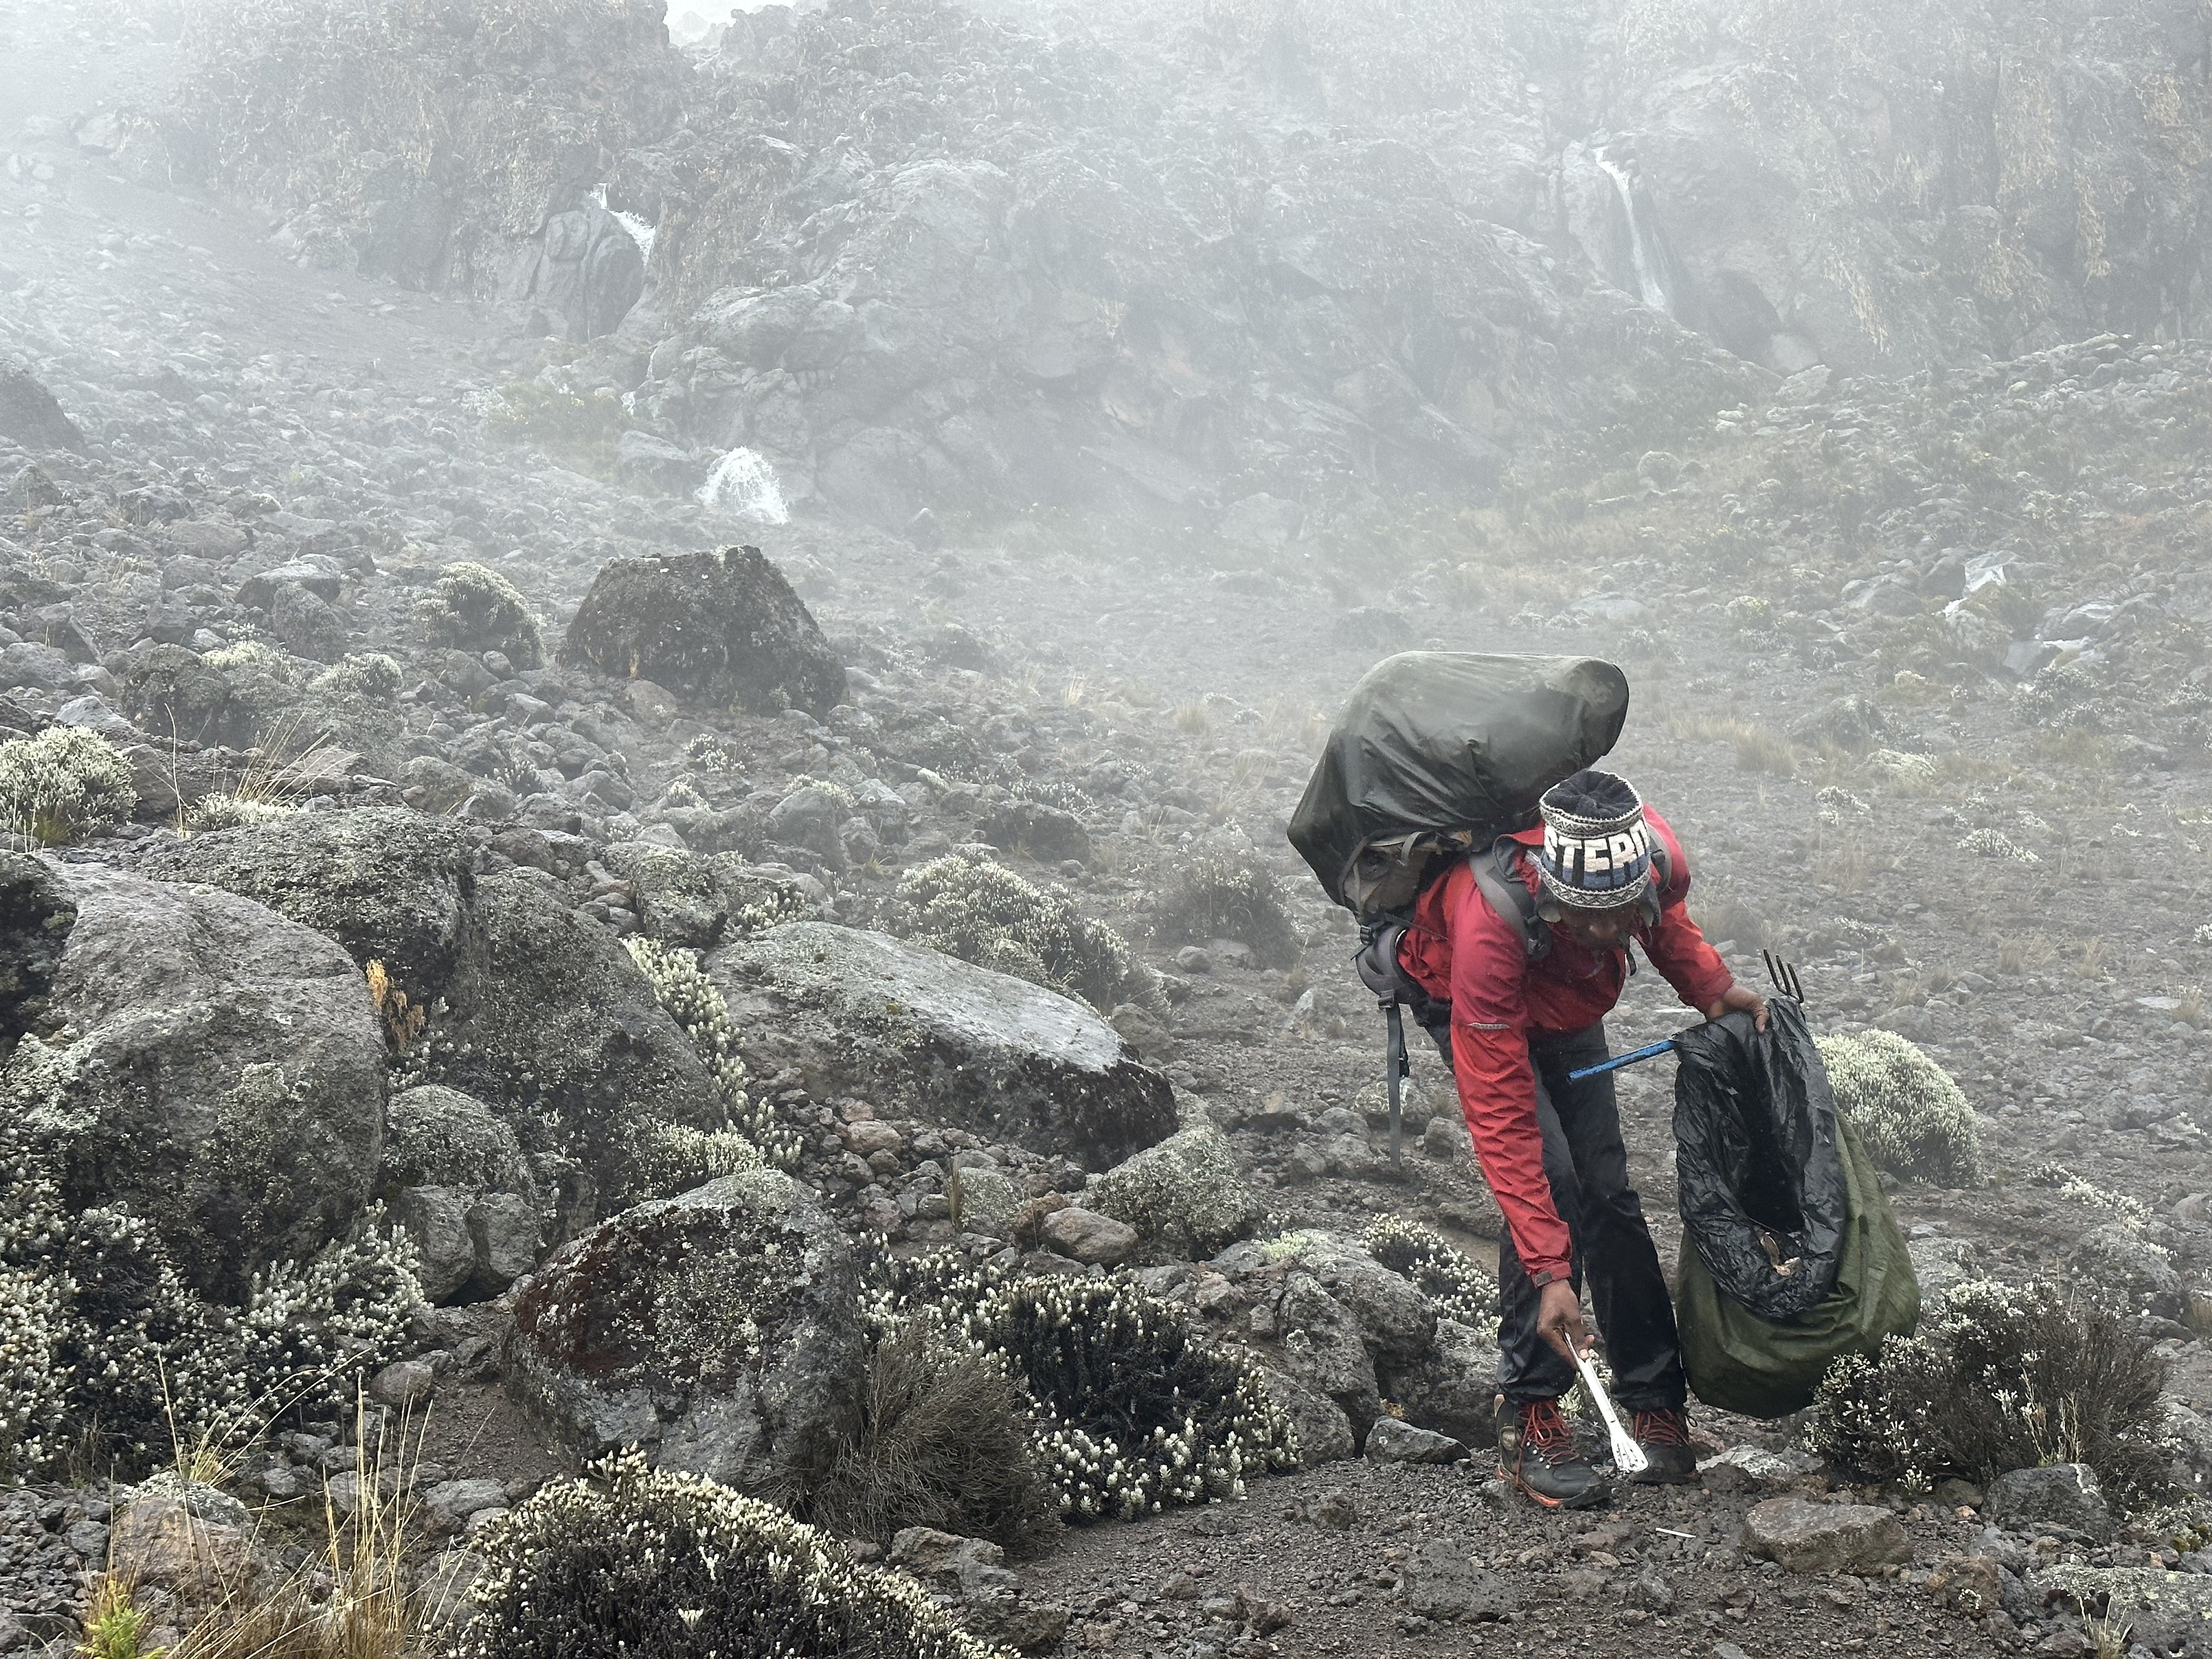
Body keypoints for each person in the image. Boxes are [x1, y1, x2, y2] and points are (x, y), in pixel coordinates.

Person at [1396, 768, 1768, 1509]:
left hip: (1565, 1002)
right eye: (1584, 917)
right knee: (1553, 1186)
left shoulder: (1648, 868)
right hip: (1475, 1002)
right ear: (1548, 890)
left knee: (1608, 1191)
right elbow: (1502, 1116)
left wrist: (1713, 989)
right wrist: (1549, 1273)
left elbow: (1664, 923)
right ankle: (1530, 1415)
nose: (1606, 933)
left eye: (1619, 917)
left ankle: (1655, 1400)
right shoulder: (1490, 918)